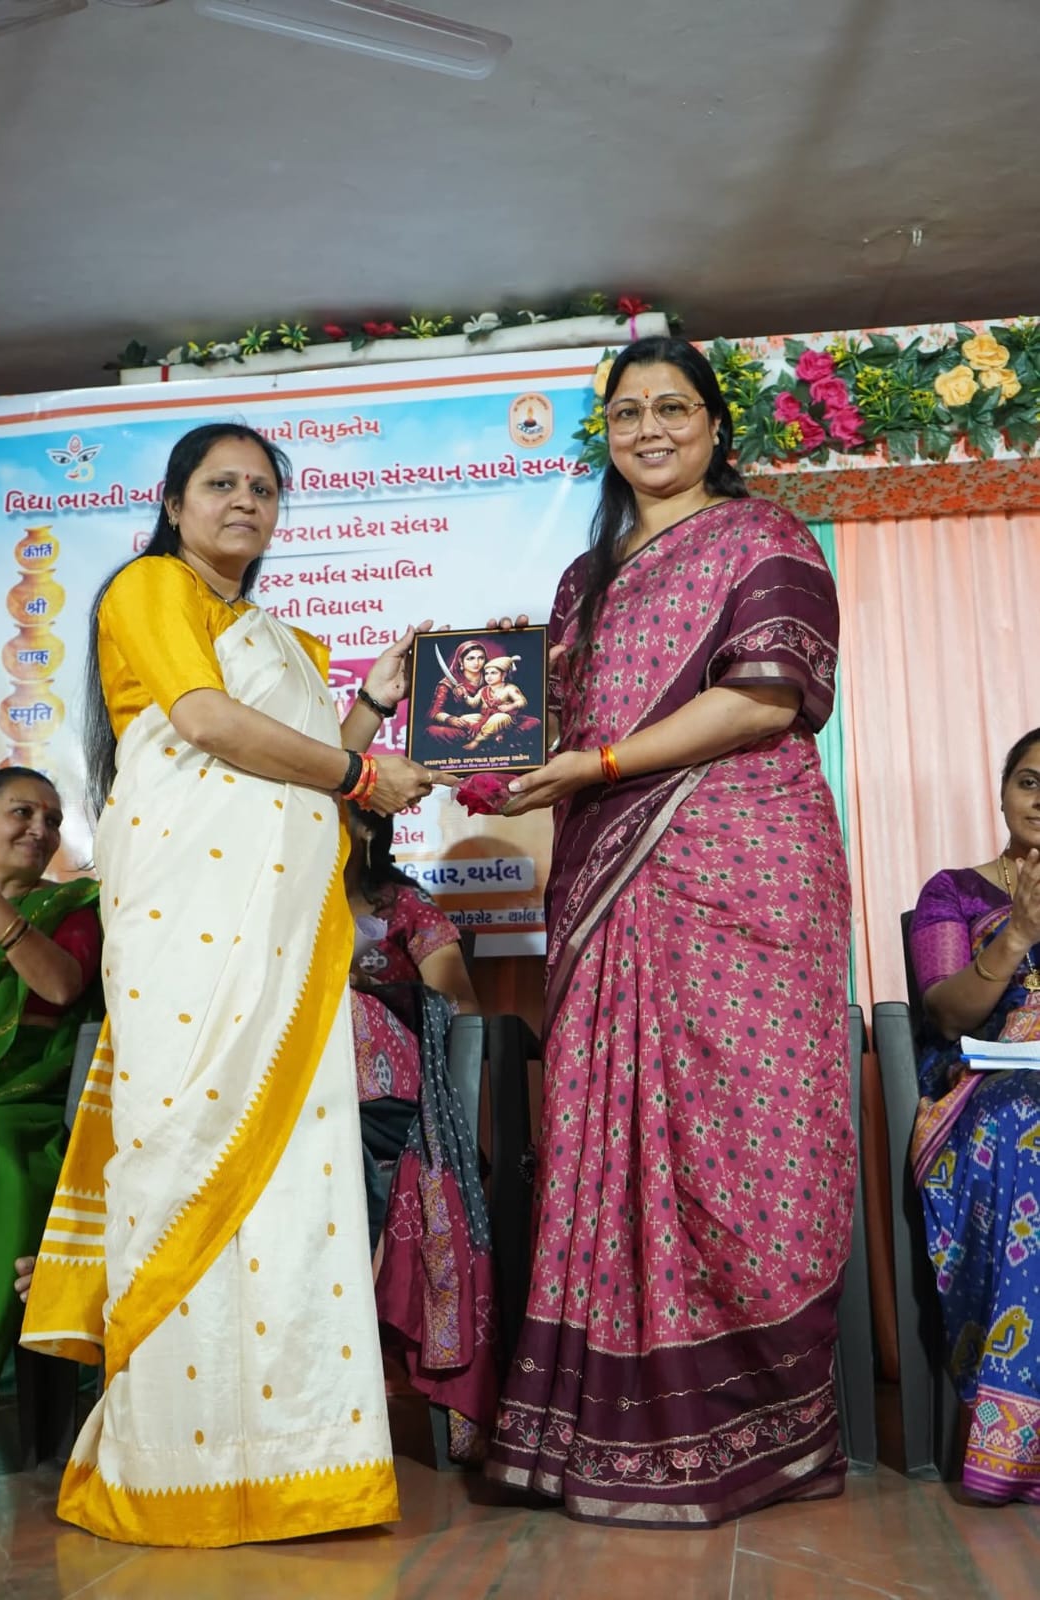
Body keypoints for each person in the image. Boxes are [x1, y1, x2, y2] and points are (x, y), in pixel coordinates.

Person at [19, 423, 443, 1547]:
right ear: (174, 502)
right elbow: (206, 723)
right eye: (221, 483)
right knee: (183, 1150)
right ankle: (171, 1465)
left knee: (294, 1184)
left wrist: (370, 705)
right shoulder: (151, 589)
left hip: (282, 949)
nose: (244, 501)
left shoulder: (283, 639)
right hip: (187, 936)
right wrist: (360, 765)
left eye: (262, 487)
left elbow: (301, 772)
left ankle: (301, 1466)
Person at [484, 336, 853, 1525]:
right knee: (609, 1133)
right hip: (609, 879)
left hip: (740, 865)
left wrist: (595, 763)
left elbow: (760, 699)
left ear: (713, 424)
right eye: (627, 412)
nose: (649, 430)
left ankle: (761, 1420)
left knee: (744, 1135)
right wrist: (477, 726)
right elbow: (548, 725)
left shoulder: (764, 540)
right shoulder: (579, 582)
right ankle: (605, 1432)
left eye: (672, 408)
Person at [909, 728, 1040, 1504]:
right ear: (1001, 794)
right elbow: (946, 1013)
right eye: (1029, 781)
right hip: (986, 1094)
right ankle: (1016, 1444)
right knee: (1030, 1127)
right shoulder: (953, 892)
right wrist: (1018, 932)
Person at [346, 807, 498, 1461]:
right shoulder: (278, 897)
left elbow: (458, 1002)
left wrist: (366, 985)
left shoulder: (402, 906)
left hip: (389, 1097)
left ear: (365, 828)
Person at [0, 767, 100, 1451]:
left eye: (51, 819)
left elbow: (60, 983)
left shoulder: (75, 905)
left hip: (30, 1107)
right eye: (21, 813)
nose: (40, 829)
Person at [460, 657, 538, 751]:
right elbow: (473, 703)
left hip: (505, 718)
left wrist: (510, 706)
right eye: (487, 673)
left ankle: (477, 741)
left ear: (503, 674)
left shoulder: (509, 688)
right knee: (464, 719)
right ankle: (494, 735)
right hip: (486, 717)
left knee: (497, 718)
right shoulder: (483, 690)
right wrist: (465, 695)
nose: (489, 676)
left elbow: (522, 702)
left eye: (493, 673)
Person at [425, 638, 491, 744]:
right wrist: (451, 719)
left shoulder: (491, 678)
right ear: (461, 661)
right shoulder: (447, 684)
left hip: (488, 722)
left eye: (481, 658)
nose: (476, 663)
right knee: (432, 731)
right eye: (470, 658)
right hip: (461, 727)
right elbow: (435, 712)